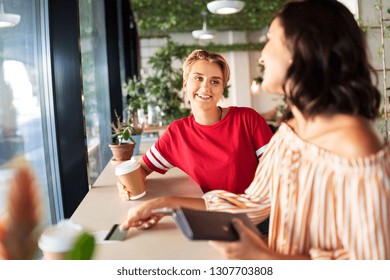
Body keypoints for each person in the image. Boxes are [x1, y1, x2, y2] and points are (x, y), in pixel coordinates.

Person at [121, 0, 390, 259]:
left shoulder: (357, 146)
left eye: (270, 39)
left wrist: (264, 256)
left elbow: (370, 263)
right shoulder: (292, 131)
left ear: (303, 49)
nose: (261, 56)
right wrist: (163, 204)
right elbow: (254, 203)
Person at [118, 50, 273, 199]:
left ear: (222, 89)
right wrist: (124, 183)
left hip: (253, 218)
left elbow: (277, 171)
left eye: (215, 81)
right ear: (185, 84)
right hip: (207, 218)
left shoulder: (247, 119)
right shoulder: (176, 134)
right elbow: (142, 168)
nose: (205, 87)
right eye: (198, 78)